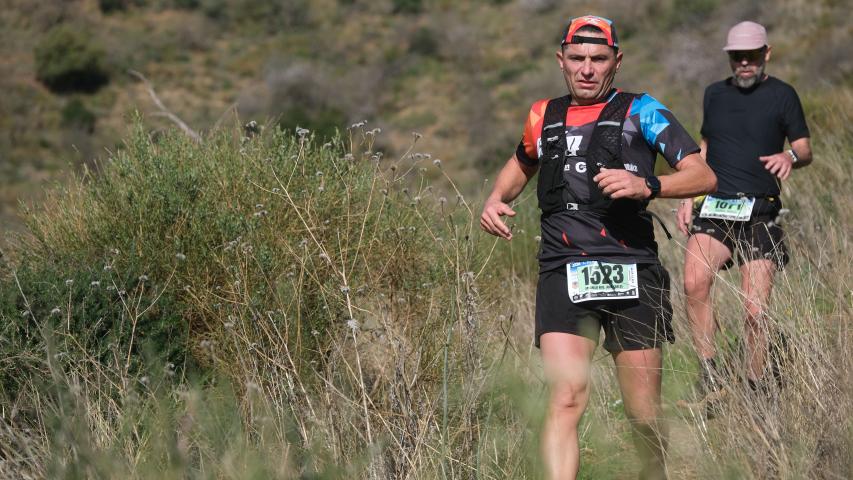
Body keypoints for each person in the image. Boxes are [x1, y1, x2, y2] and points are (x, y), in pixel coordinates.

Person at [480, 15, 716, 480]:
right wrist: (494, 198)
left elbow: (703, 175)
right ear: (561, 60)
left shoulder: (642, 110)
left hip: (633, 269)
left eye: (598, 59)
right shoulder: (542, 115)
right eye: (577, 58)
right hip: (563, 267)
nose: (587, 69)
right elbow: (521, 163)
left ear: (616, 62)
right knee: (565, 398)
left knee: (643, 413)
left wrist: (647, 184)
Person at [676, 21, 812, 410]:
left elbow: (804, 149)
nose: (745, 63)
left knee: (755, 312)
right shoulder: (714, 94)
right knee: (694, 283)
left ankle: (755, 388)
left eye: (751, 56)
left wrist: (788, 156)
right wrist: (688, 194)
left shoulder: (783, 95)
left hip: (760, 209)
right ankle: (710, 377)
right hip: (715, 205)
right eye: (737, 56)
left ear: (766, 54)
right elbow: (704, 147)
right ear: (730, 57)